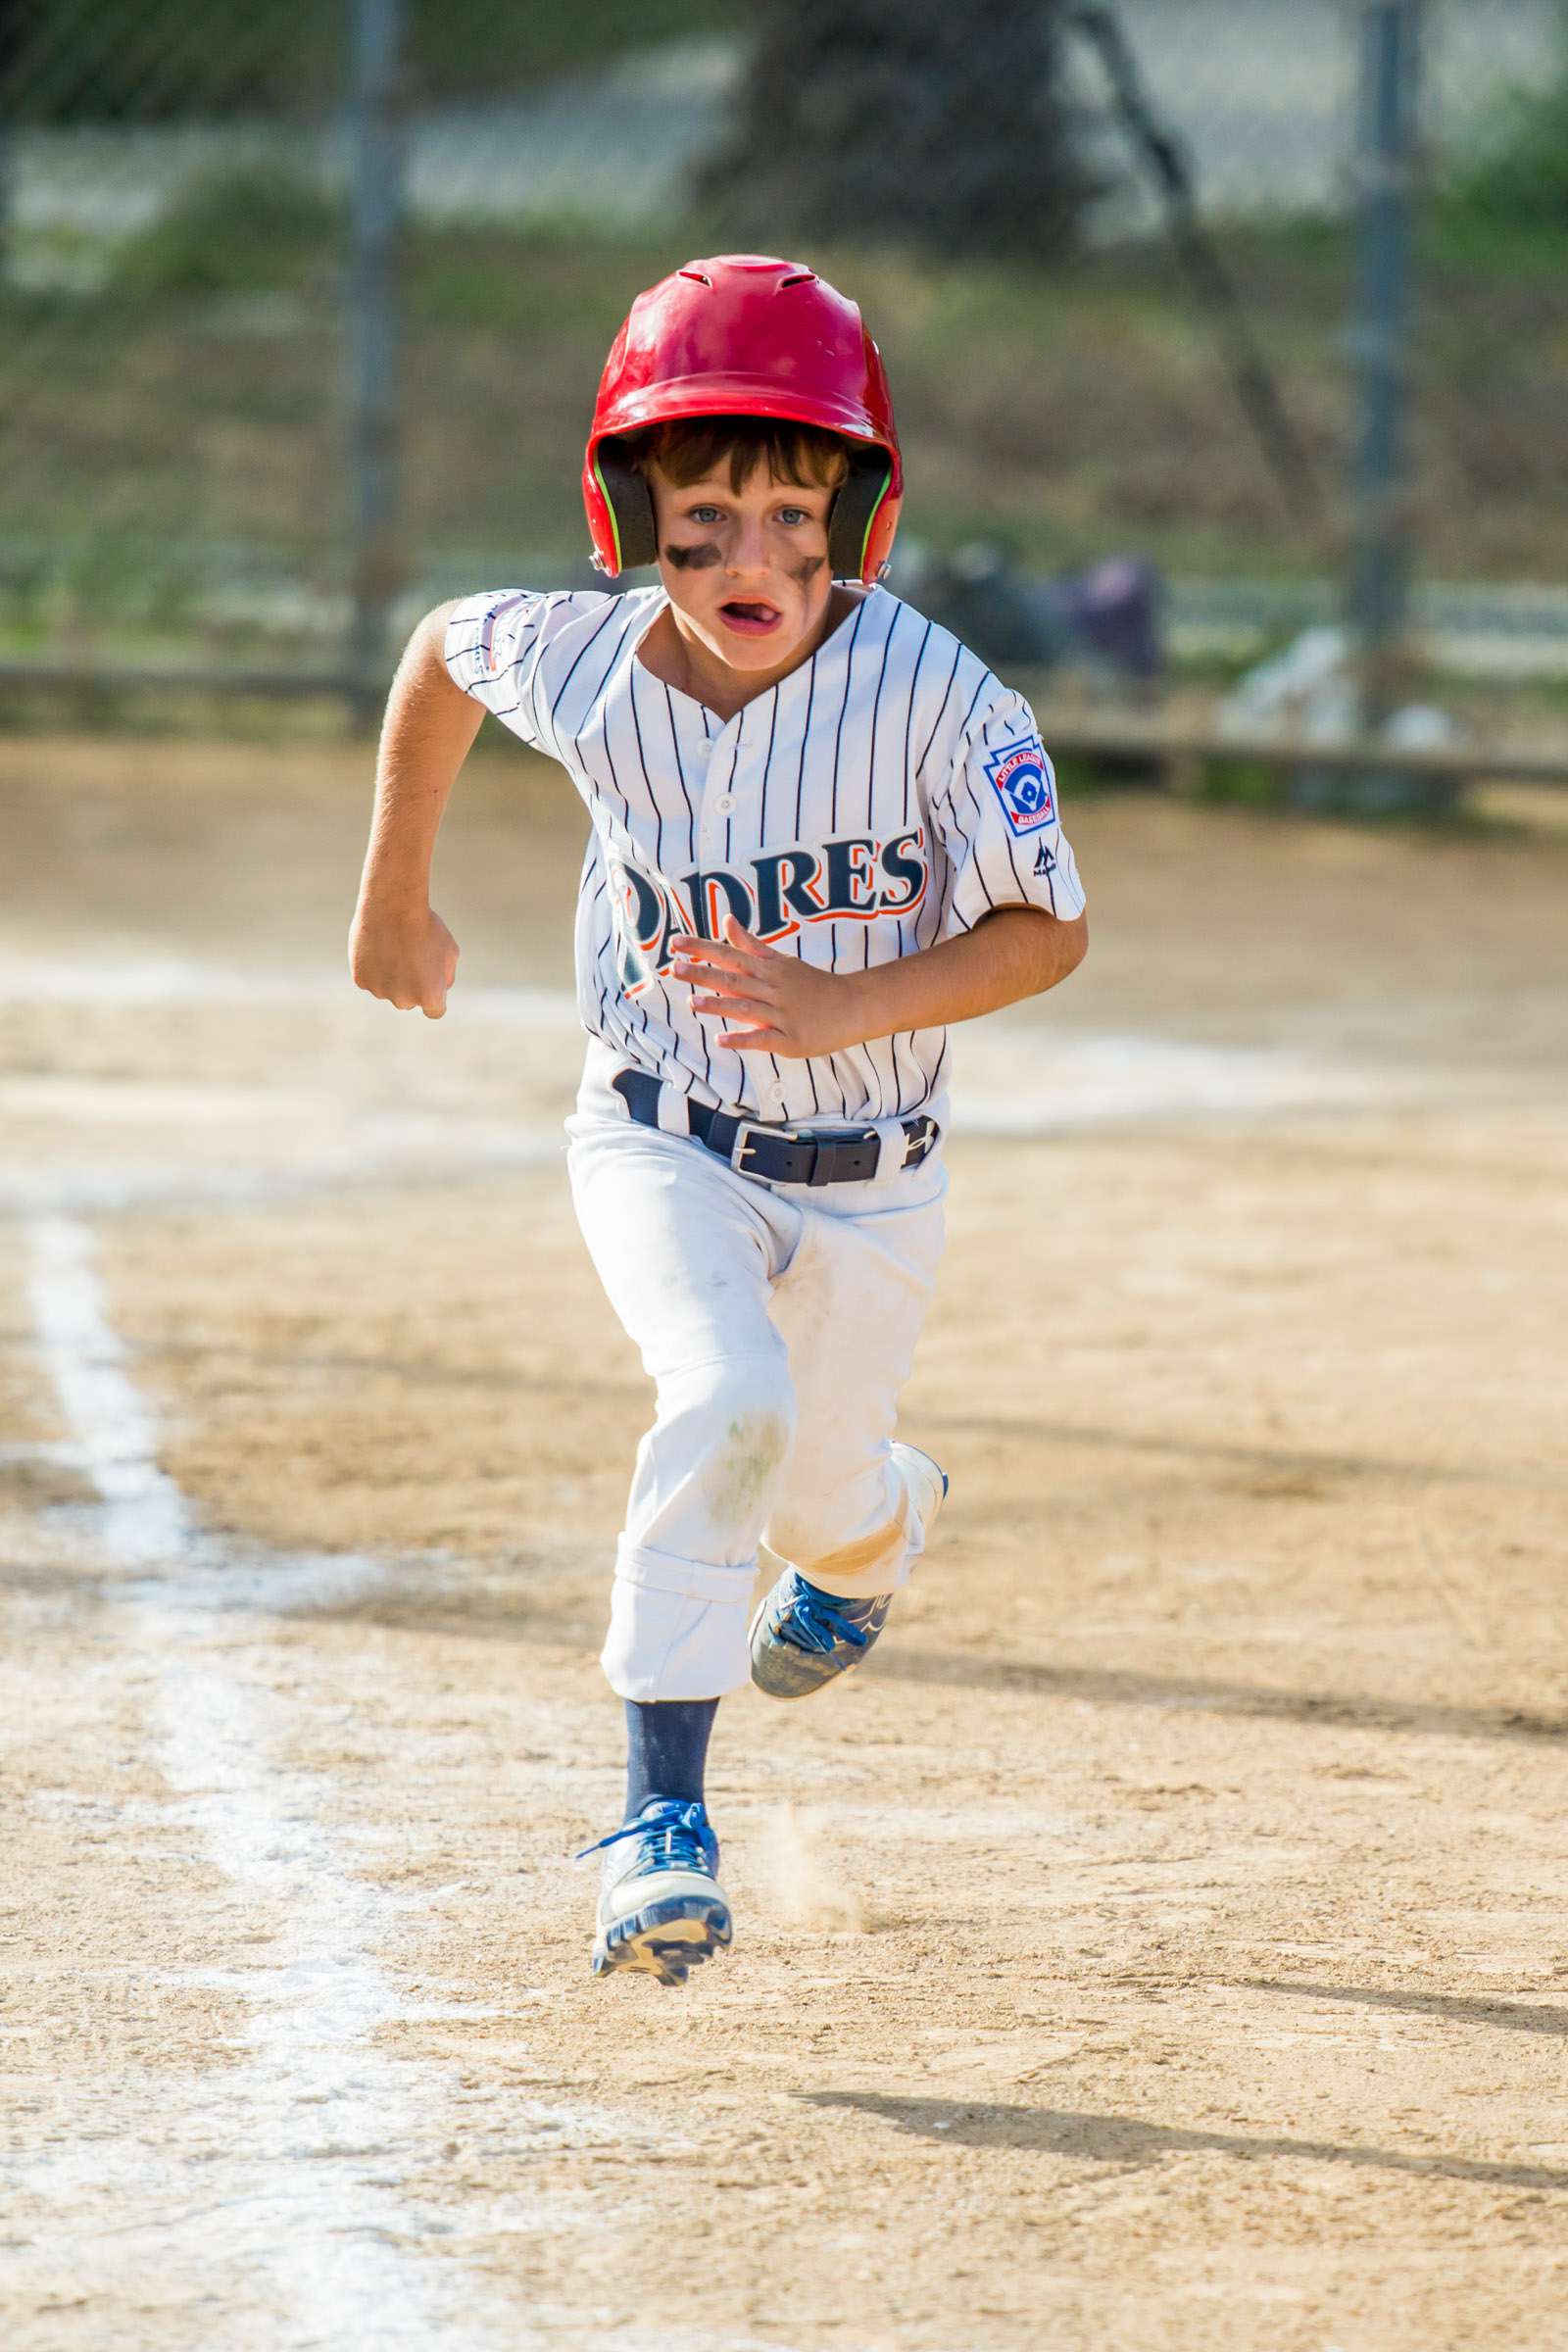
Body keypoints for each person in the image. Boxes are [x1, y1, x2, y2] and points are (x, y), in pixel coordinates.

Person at [350, 255, 1088, 1987]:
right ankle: (657, 1821)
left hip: (871, 1187)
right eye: (702, 519)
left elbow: (1048, 927)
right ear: (630, 514)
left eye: (789, 512)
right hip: (657, 1136)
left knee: (819, 1484)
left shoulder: (941, 698)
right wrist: (396, 889)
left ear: (856, 516)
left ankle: (877, 1524)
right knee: (725, 1399)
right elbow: (443, 652)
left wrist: (849, 1005)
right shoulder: (593, 660)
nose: (749, 561)